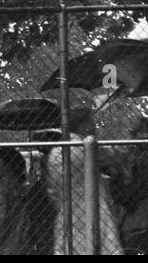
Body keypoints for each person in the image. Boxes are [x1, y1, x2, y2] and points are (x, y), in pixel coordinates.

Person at [45, 108, 123, 255]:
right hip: (95, 208)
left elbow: (52, 192)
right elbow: (115, 158)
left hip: (66, 211)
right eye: (91, 123)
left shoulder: (56, 151)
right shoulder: (86, 148)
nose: (94, 127)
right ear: (84, 125)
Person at [116, 116, 148, 255]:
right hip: (135, 224)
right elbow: (123, 195)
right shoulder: (131, 158)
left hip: (147, 222)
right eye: (141, 143)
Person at [0, 149, 32, 255]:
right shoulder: (23, 186)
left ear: (8, 165)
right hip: (23, 244)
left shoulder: (0, 188)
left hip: (3, 248)